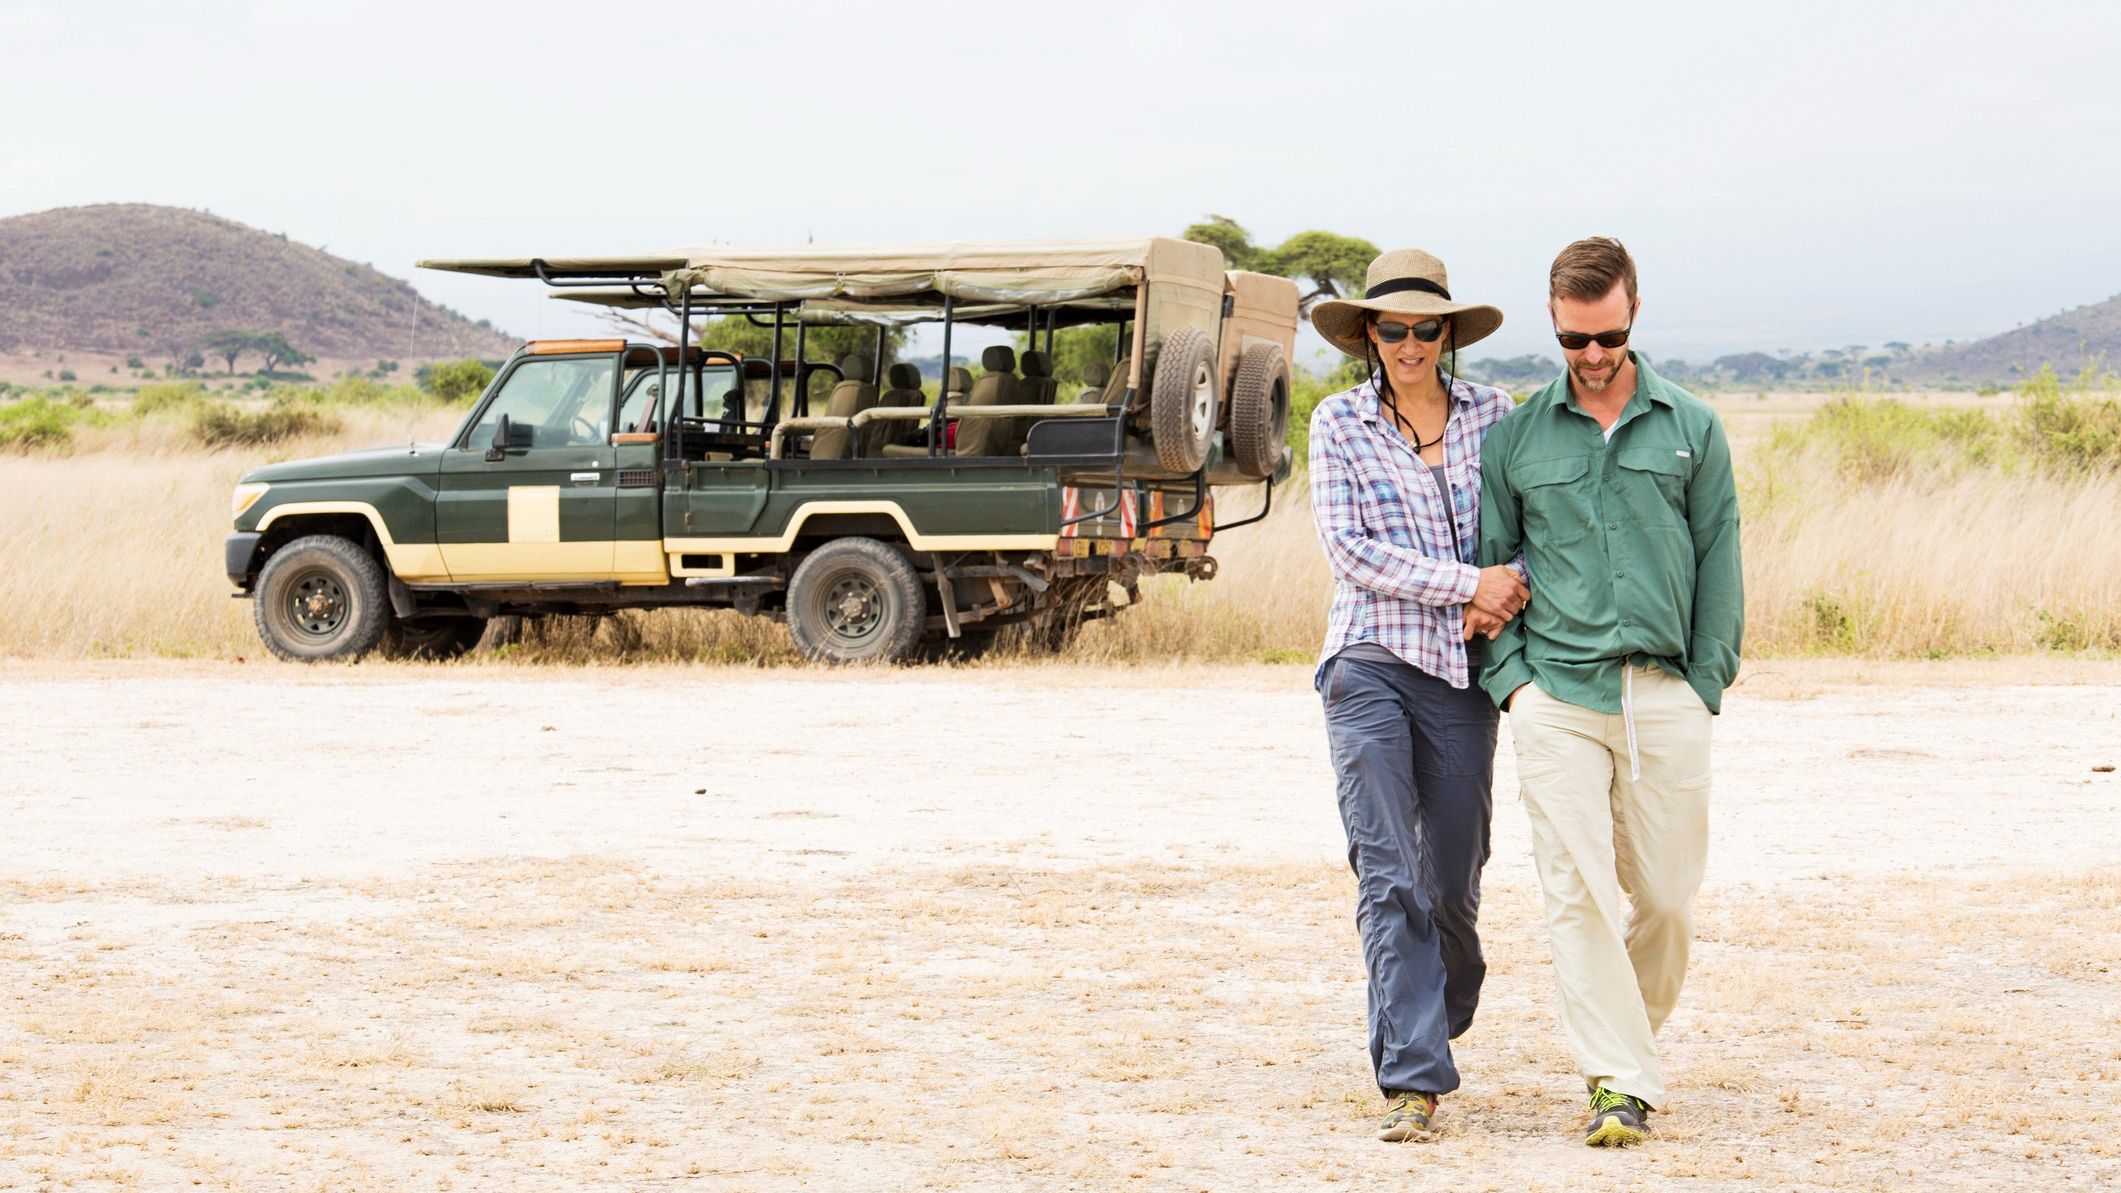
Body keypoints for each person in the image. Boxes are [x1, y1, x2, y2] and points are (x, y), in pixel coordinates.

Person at [1477, 237, 1743, 1147]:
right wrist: (1512, 685)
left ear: (1634, 313)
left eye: (1608, 336)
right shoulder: (1515, 437)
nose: (1592, 355)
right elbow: (1492, 568)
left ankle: (1625, 1051)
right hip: (1554, 694)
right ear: (1552, 323)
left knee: (1664, 900)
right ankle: (1618, 1084)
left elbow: (1720, 558)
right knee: (1578, 893)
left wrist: (1705, 681)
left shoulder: (1692, 426)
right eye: (1573, 339)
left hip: (1665, 691)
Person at [1307, 249, 1529, 1143]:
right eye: (1391, 328)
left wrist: (1503, 587)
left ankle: (1435, 1002)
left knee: (1453, 880)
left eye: (1424, 327)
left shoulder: (1496, 414)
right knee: (1387, 868)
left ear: (1447, 333)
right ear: (1368, 334)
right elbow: (1349, 550)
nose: (1408, 343)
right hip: (1367, 661)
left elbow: (1529, 530)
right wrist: (1465, 583)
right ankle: (1412, 1077)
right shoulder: (1337, 421)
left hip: (1462, 674)